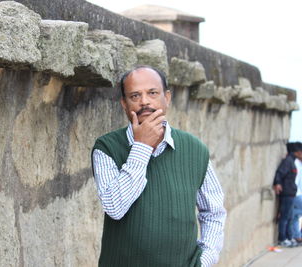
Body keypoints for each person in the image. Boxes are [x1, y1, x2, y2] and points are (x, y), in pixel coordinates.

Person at [91, 66, 226, 267]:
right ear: (124, 104)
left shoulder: (195, 149)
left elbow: (213, 212)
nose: (144, 101)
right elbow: (115, 207)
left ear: (167, 98)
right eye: (135, 96)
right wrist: (142, 147)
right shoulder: (106, 148)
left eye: (152, 93)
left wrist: (204, 260)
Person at [272, 142, 302, 247]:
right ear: (298, 152)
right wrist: (277, 183)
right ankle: (282, 238)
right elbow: (279, 173)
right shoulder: (288, 161)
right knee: (285, 217)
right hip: (287, 194)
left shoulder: (292, 161)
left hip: (291, 193)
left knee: (290, 216)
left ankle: (290, 237)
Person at [290, 142, 302, 244]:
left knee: (295, 215)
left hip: (297, 193)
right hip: (295, 193)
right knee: (295, 214)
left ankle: (297, 236)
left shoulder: (299, 163)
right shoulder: (293, 162)